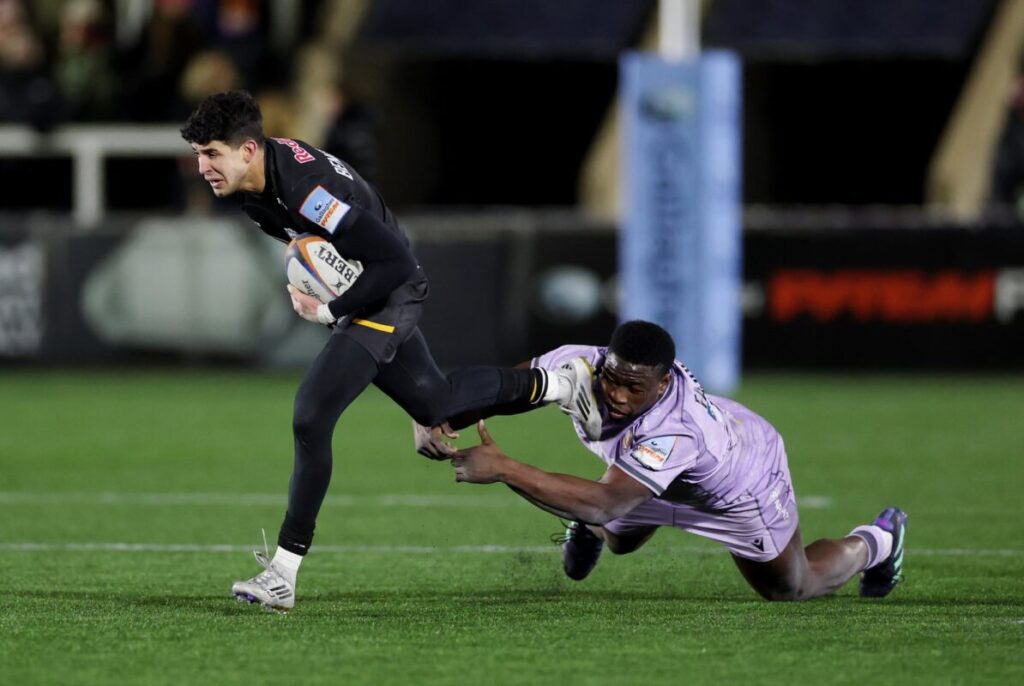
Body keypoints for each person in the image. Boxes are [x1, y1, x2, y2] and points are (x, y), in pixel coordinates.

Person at [179, 90, 600, 612]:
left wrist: (331, 312)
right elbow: (316, 247)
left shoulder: (305, 188)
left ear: (247, 149)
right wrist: (310, 273)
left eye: (211, 153)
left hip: (388, 288)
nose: (202, 167)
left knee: (312, 413)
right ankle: (565, 382)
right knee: (437, 404)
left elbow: (396, 263)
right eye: (198, 154)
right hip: (367, 286)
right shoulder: (253, 189)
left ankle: (283, 573)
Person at [449, 320, 907, 601]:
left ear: (664, 383)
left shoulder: (679, 429)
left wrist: (504, 468)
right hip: (644, 473)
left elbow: (606, 502)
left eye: (635, 388)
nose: (618, 396)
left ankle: (878, 541)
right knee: (620, 540)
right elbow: (508, 387)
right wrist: (442, 413)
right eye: (613, 380)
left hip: (738, 481)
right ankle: (592, 526)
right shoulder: (580, 363)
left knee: (790, 588)